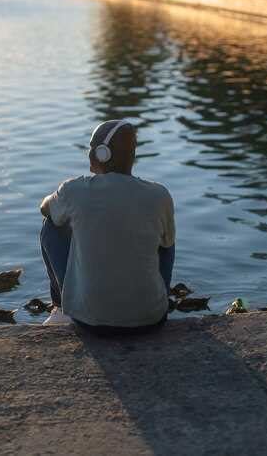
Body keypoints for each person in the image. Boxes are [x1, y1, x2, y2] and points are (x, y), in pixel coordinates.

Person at [39, 119, 175, 333]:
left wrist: (64, 204)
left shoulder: (74, 190)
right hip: (151, 320)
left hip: (90, 322)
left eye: (92, 148)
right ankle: (158, 299)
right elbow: (166, 248)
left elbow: (44, 208)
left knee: (51, 225)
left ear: (101, 154)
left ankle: (61, 308)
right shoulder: (160, 195)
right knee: (167, 242)